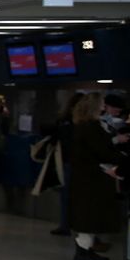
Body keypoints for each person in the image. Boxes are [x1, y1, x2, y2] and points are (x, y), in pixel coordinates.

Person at [68, 92, 127, 260]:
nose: (104, 105)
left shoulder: (83, 125)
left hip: (87, 177)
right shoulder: (91, 127)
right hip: (92, 178)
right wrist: (122, 159)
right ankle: (83, 252)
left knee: (88, 217)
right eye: (101, 103)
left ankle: (87, 251)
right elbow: (101, 151)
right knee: (89, 217)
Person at [48, 92, 83, 236]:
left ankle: (65, 224)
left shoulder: (63, 120)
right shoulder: (75, 122)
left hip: (65, 161)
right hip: (73, 162)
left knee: (66, 195)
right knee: (72, 195)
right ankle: (73, 225)